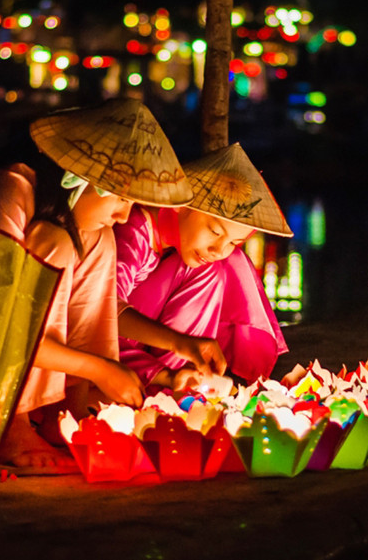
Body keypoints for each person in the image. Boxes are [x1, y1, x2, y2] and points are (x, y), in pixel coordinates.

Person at [0, 97, 194, 468]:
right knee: (59, 244)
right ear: (77, 179)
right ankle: (8, 424)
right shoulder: (5, 191)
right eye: (121, 198)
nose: (122, 215)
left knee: (97, 240)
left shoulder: (73, 218)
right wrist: (101, 369)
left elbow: (89, 308)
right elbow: (0, 320)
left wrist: (176, 343)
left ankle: (65, 413)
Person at [114, 142, 293, 392]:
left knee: (220, 264)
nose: (219, 249)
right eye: (214, 231)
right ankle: (172, 381)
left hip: (134, 344)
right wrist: (181, 343)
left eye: (234, 242)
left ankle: (183, 378)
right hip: (105, 342)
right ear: (181, 203)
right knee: (206, 267)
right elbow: (105, 309)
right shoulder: (133, 229)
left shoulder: (177, 247)